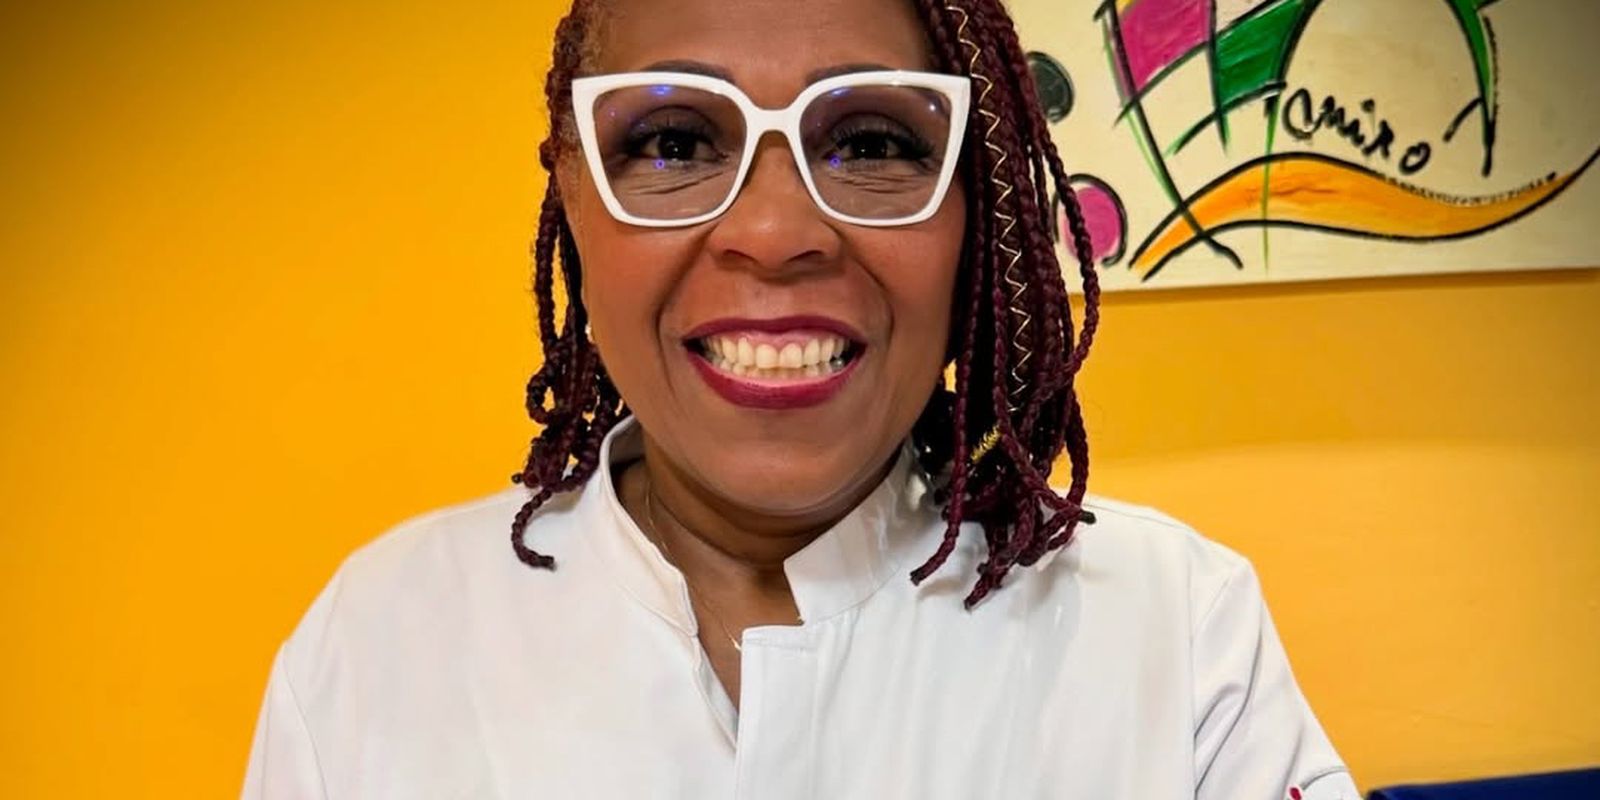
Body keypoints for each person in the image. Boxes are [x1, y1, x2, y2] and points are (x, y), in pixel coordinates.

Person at [243, 0, 1361, 797]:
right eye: (673, 141)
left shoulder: (1178, 632)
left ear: (974, 213)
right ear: (574, 201)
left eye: (869, 142)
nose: (775, 232)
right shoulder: (377, 647)